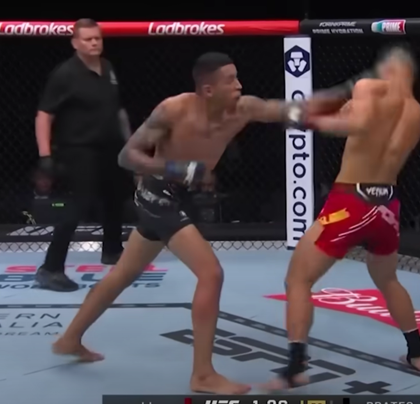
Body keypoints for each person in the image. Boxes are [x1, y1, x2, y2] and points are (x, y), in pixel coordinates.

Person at [52, 51, 339, 394]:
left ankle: (69, 339)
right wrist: (176, 168)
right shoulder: (173, 109)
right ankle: (202, 374)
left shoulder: (244, 108)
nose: (239, 85)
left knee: (123, 274)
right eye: (230, 80)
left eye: (237, 77)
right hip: (158, 194)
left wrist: (343, 95)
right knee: (211, 273)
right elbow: (127, 156)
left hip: (181, 197)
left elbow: (285, 109)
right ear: (208, 89)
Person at [269, 45, 420, 390]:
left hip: (351, 202)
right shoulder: (417, 112)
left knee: (297, 279)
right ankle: (418, 353)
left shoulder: (369, 89)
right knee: (388, 279)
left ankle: (296, 365)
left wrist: (307, 119)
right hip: (387, 205)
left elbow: (355, 125)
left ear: (387, 69)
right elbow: (371, 128)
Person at [34, 19, 131, 292]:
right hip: (79, 149)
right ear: (75, 43)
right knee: (78, 205)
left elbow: (117, 109)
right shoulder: (65, 73)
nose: (94, 43)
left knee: (115, 197)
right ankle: (50, 268)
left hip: (110, 147)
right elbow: (44, 115)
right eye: (88, 39)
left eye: (97, 38)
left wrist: (130, 142)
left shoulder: (108, 67)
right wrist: (45, 155)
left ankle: (112, 250)